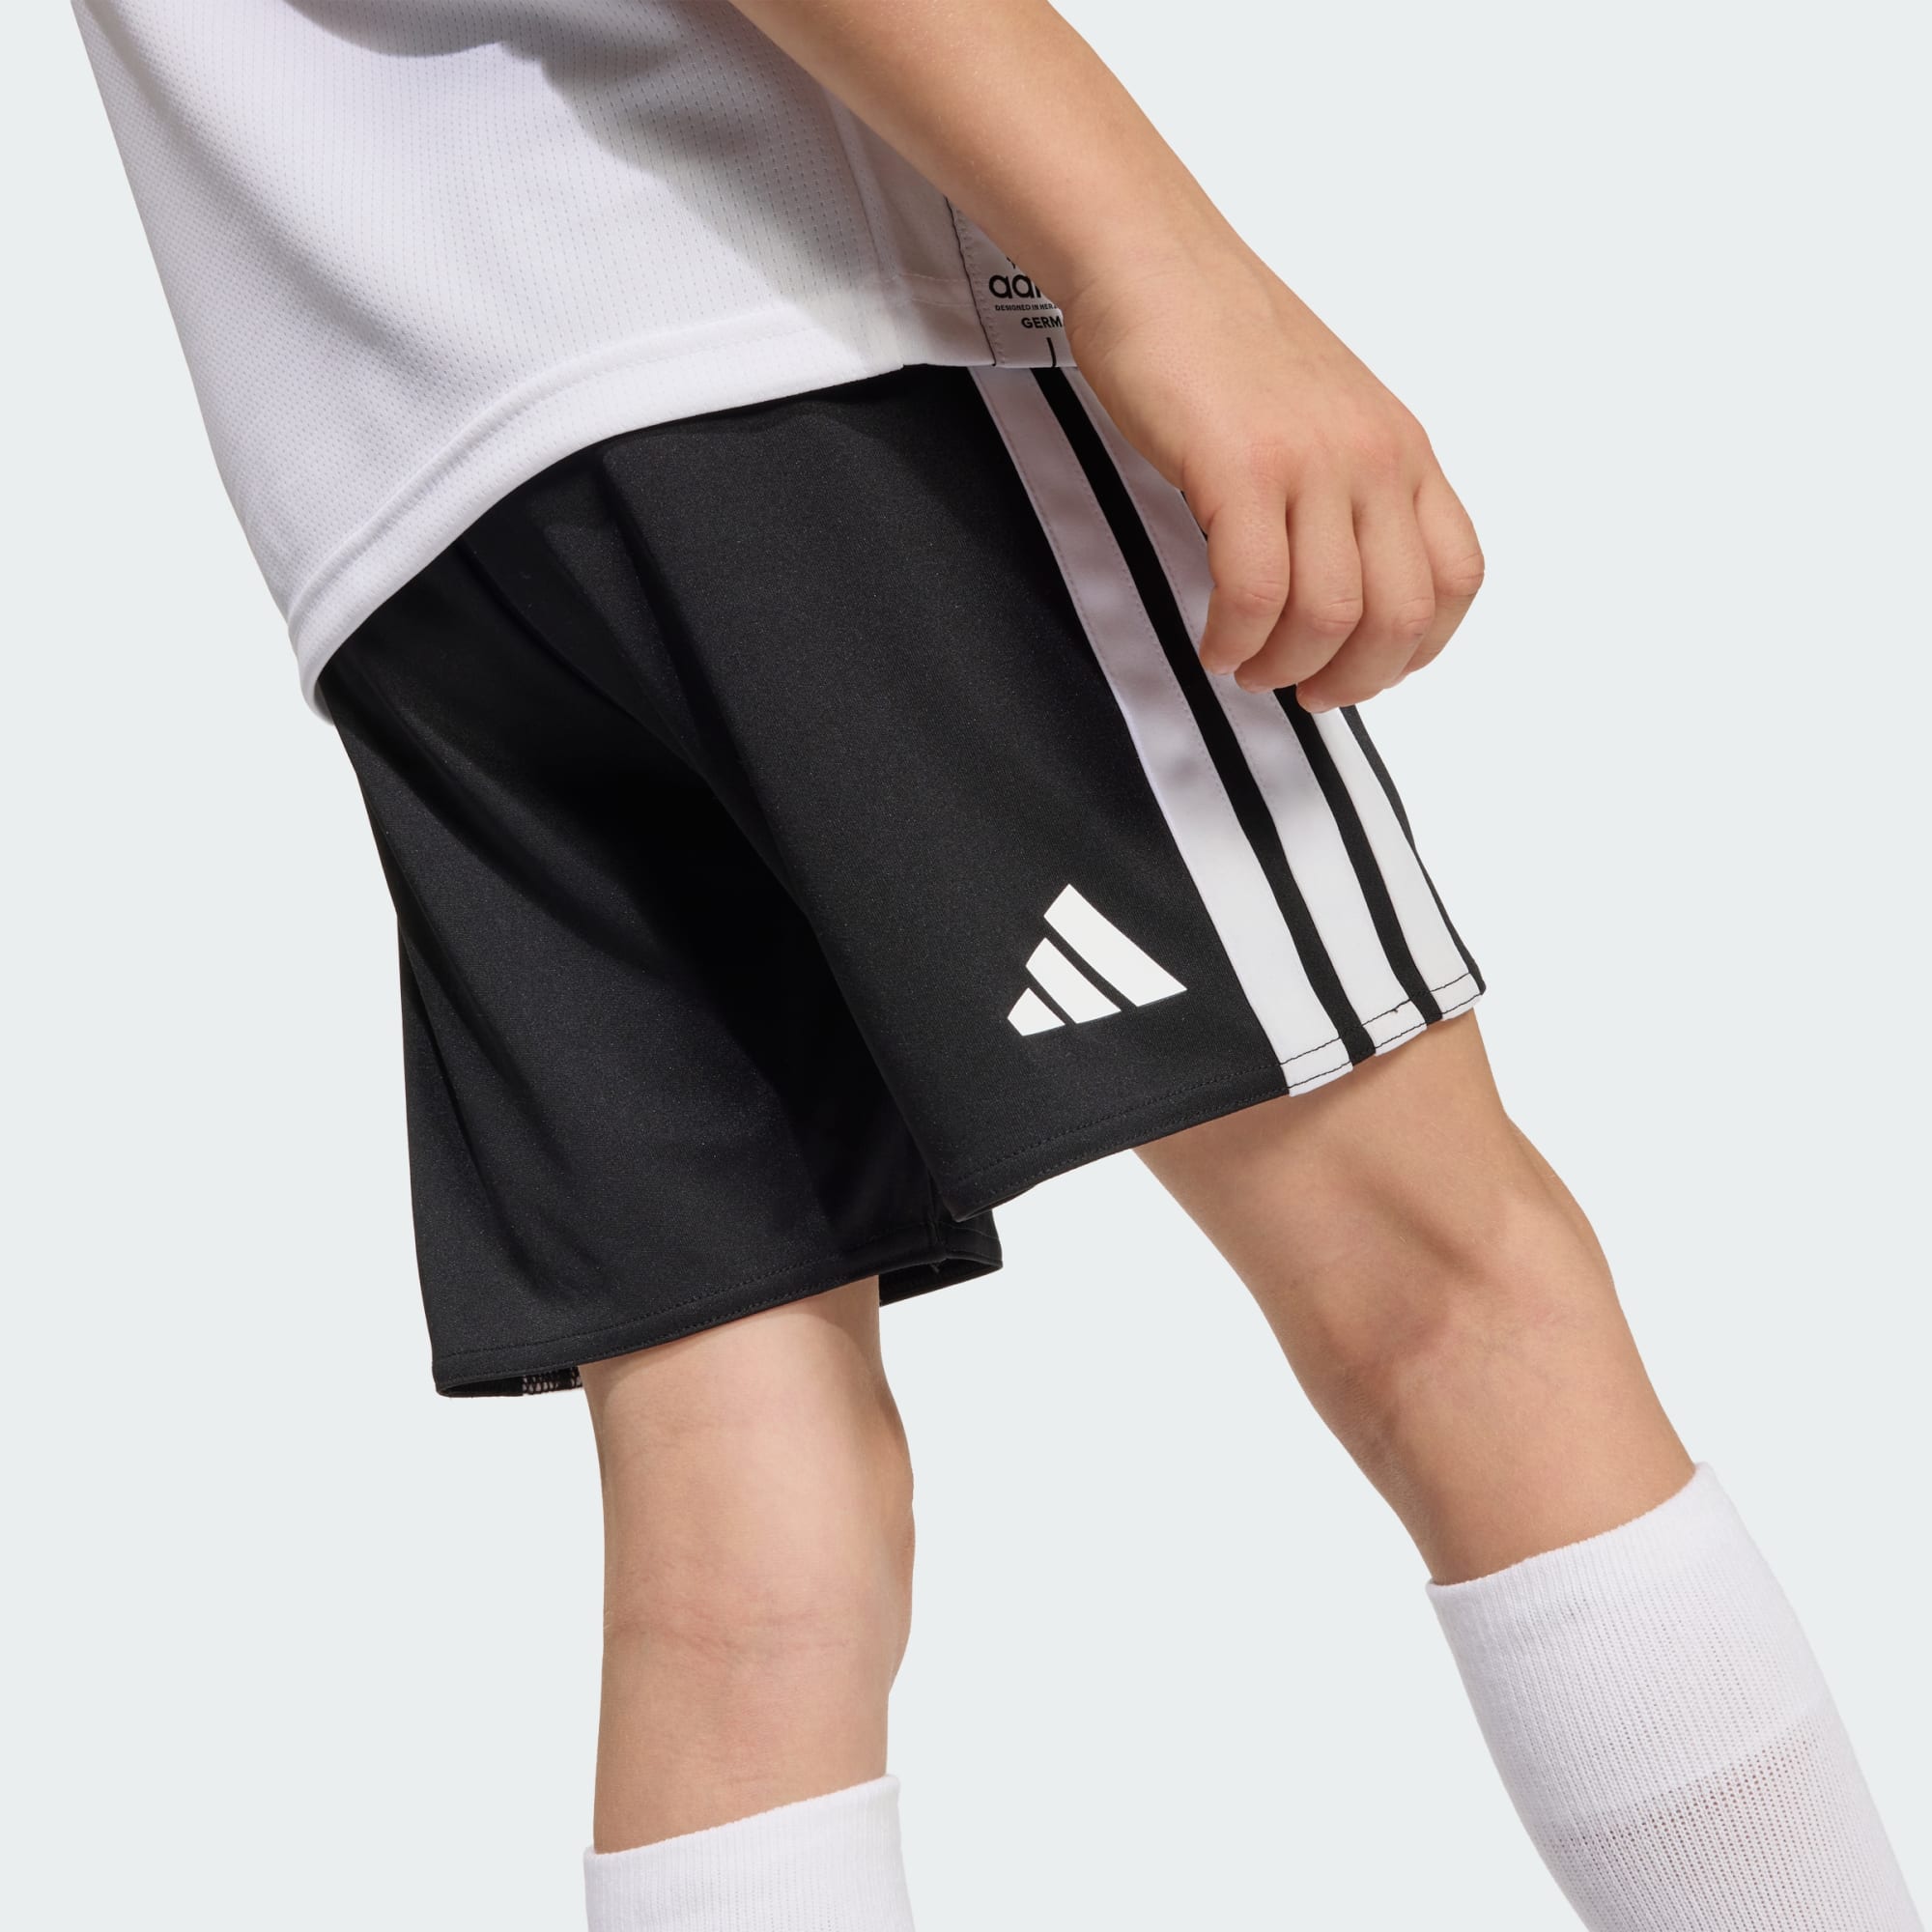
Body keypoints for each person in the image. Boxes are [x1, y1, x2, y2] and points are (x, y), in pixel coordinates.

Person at [72, 2, 1919, 1927]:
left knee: (740, 1564)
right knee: (1450, 1293)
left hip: (394, 499)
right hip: (787, 315)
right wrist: (1157, 260)